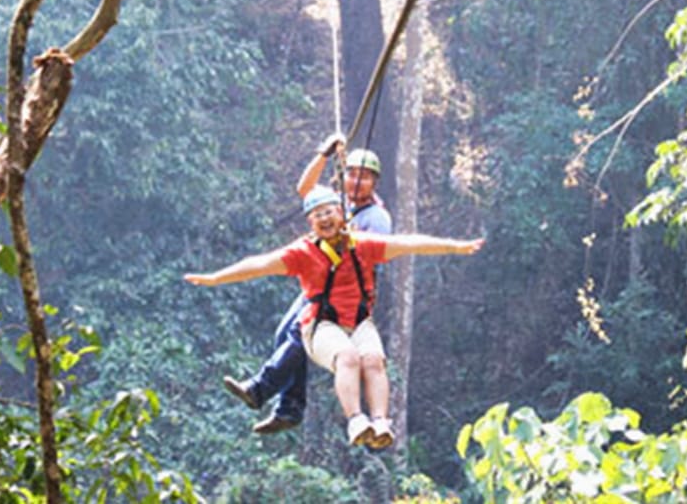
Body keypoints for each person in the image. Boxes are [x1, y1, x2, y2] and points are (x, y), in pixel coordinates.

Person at [185, 183, 483, 450]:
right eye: (317, 216)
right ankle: (355, 419)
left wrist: (454, 247)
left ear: (342, 214)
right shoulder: (303, 253)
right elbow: (259, 264)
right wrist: (215, 278)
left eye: (329, 212)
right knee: (348, 357)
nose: (324, 219)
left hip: (358, 321)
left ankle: (380, 421)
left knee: (373, 361)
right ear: (310, 224)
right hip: (321, 326)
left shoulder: (363, 245)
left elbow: (409, 243)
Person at [219, 133, 391, 435]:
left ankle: (262, 389)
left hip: (344, 293)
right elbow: (305, 189)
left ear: (374, 183)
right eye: (351, 174)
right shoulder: (337, 205)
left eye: (364, 178)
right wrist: (325, 153)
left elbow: (373, 253)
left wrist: (346, 234)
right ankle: (289, 407)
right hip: (321, 284)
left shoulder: (375, 217)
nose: (356, 182)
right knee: (284, 332)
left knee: (300, 335)